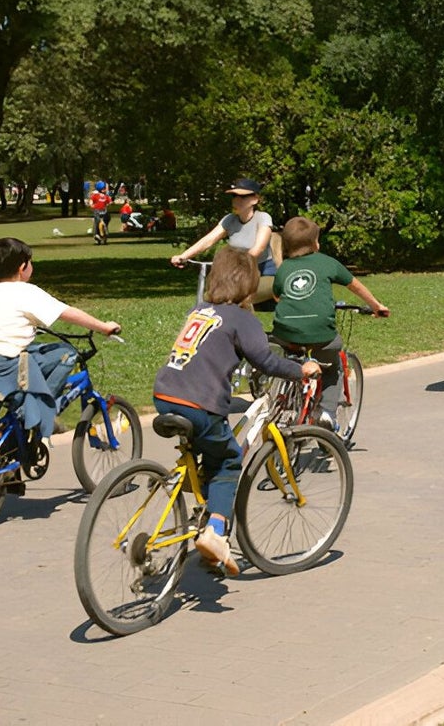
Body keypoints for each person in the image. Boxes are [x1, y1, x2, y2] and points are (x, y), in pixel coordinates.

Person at [154, 247, 321, 575]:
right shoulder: (242, 318)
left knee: (209, 446)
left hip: (165, 394)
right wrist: (301, 370)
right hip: (199, 403)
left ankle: (206, 537)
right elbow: (266, 361)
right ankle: (216, 532)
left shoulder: (201, 309)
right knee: (229, 459)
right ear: (249, 286)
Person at [0, 238, 121, 491]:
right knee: (65, 354)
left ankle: (11, 464)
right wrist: (104, 327)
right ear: (23, 266)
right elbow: (67, 312)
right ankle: (40, 415)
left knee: (31, 361)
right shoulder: (25, 291)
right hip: (7, 364)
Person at [272, 216, 389, 430]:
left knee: (295, 357)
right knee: (333, 367)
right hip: (321, 336)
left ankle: (288, 397)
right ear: (315, 243)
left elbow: (277, 296)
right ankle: (326, 411)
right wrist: (376, 306)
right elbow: (355, 286)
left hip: (284, 332)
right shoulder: (327, 262)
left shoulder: (284, 268)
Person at [171, 178, 277, 309]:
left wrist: (235, 265)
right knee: (213, 297)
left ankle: (248, 328)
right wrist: (184, 256)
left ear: (255, 199)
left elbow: (258, 248)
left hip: (263, 273)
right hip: (238, 276)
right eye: (234, 196)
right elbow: (208, 240)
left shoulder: (263, 218)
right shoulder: (229, 220)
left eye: (242, 197)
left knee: (239, 297)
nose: (236, 200)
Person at [89, 180, 112, 244]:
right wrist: (92, 205)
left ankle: (104, 237)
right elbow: (91, 202)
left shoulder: (106, 196)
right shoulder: (95, 195)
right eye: (104, 188)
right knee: (97, 222)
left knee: (104, 223)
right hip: (97, 211)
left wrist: (109, 204)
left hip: (104, 211)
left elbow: (109, 202)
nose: (105, 189)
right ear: (101, 189)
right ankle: (96, 235)